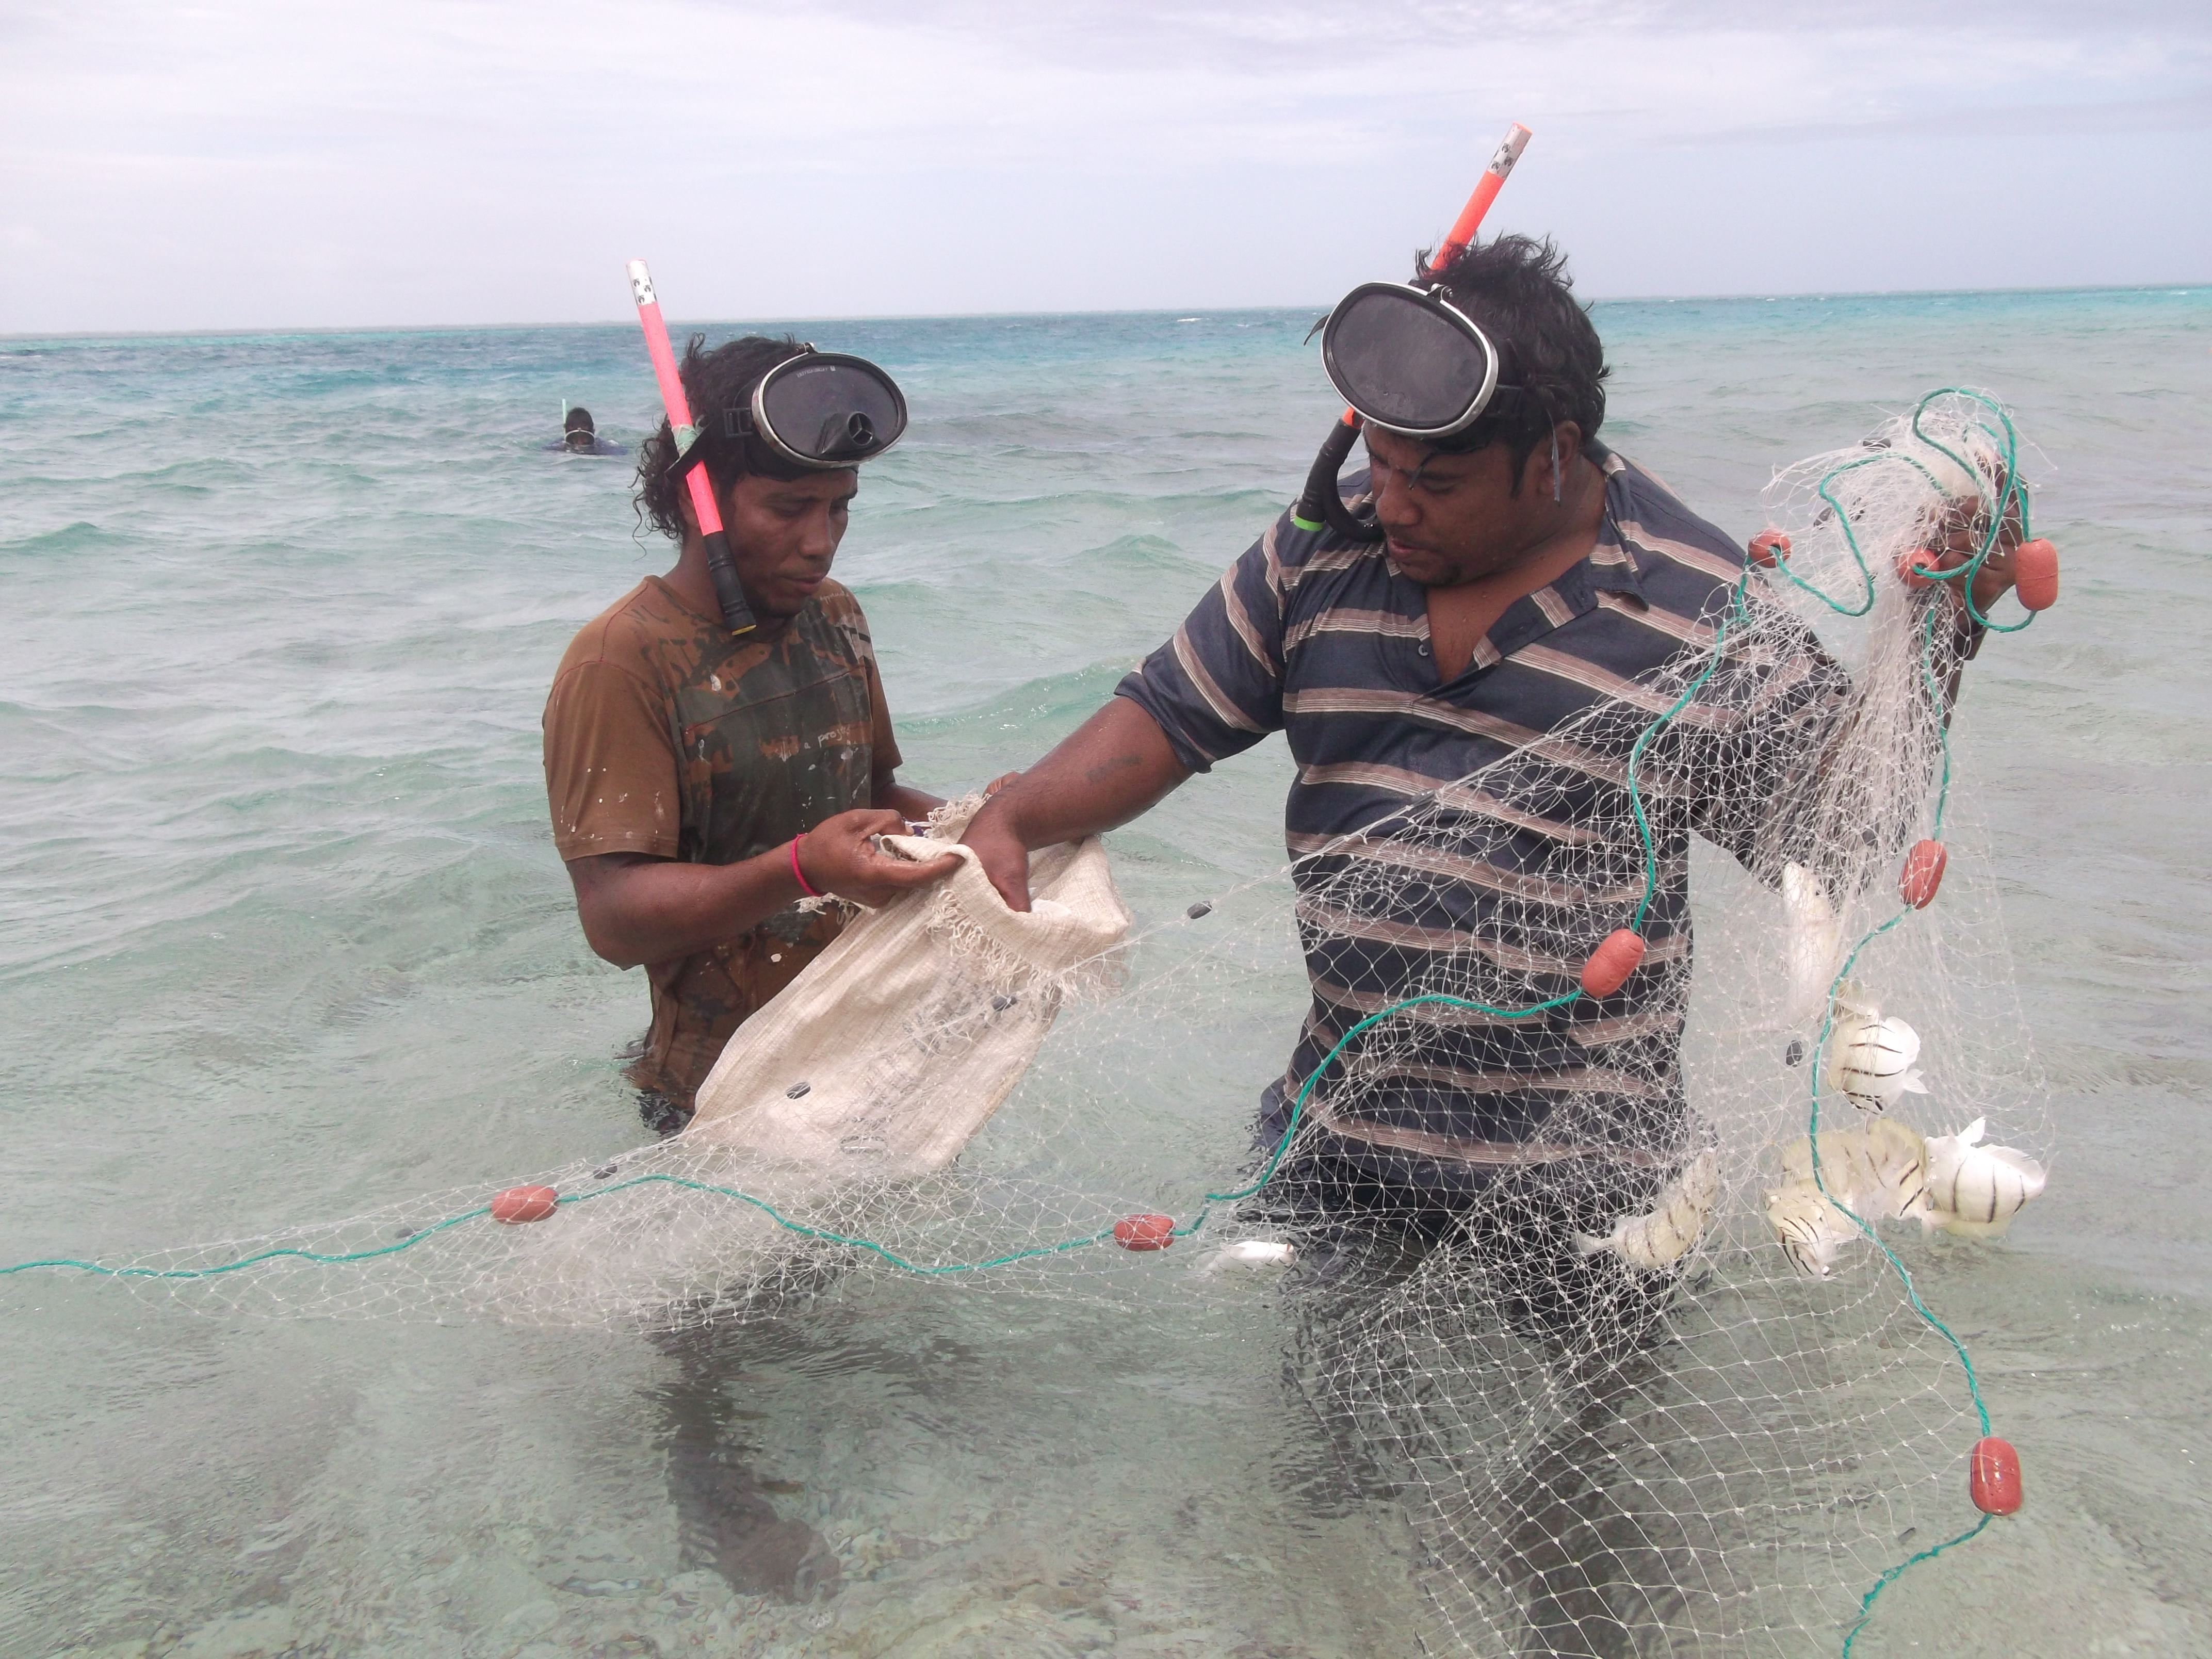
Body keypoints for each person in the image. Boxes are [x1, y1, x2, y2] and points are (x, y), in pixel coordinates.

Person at [960, 236, 2039, 1270]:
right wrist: (1016, 818)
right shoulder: (1323, 549)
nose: (1389, 504)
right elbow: (1169, 713)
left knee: (1572, 1469)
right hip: (1336, 1141)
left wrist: (1944, 629)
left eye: (1433, 482)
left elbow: (1838, 840)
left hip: (1592, 1190)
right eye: (1377, 464)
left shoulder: (1697, 609)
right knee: (1331, 1462)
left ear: (1553, 456)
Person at [543, 334, 957, 1136]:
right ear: (699, 498)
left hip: (860, 1044)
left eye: (839, 507)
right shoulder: (619, 662)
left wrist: (979, 826)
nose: (820, 541)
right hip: (716, 1092)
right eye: (787, 508)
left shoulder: (833, 614)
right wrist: (799, 868)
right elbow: (613, 919)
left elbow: (867, 799)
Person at [549, 405, 625, 455]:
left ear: (593, 432)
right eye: (575, 439)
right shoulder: (558, 447)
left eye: (584, 439)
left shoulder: (602, 447)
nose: (580, 443)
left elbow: (621, 452)